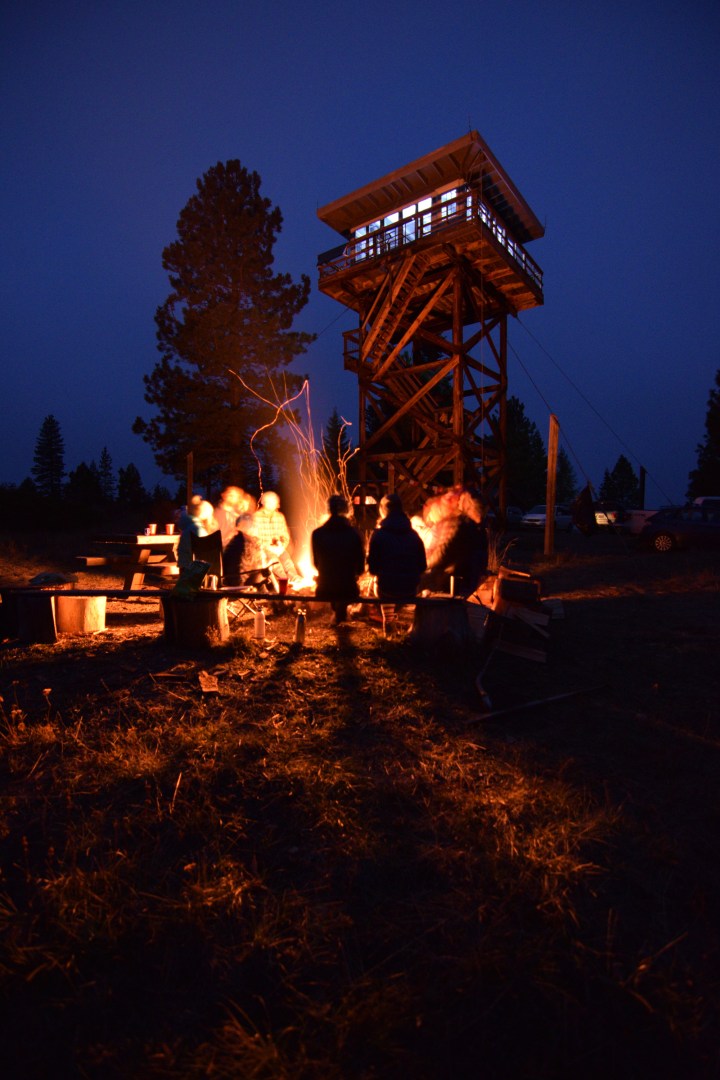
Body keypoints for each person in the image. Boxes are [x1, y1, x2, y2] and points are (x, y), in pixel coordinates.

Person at [368, 493, 427, 636]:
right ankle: (390, 620)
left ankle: (387, 622)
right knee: (390, 582)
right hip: (410, 589)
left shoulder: (378, 535)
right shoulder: (414, 535)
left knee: (378, 583)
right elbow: (423, 566)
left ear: (383, 511)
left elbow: (372, 569)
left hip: (387, 590)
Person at [421, 488, 488, 597]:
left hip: (452, 580)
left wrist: (422, 564)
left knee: (416, 581)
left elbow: (442, 554)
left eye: (460, 500)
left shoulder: (457, 523)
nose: (457, 502)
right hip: (471, 579)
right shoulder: (478, 529)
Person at [311, 494, 365, 624]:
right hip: (348, 590)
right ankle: (340, 612)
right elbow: (360, 568)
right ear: (346, 510)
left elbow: (316, 564)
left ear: (328, 510)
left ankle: (338, 612)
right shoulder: (354, 534)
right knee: (344, 587)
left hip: (324, 589)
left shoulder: (317, 534)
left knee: (334, 584)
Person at [177, 496, 219, 571]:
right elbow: (204, 554)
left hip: (185, 567)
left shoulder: (189, 527)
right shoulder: (198, 530)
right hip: (194, 571)